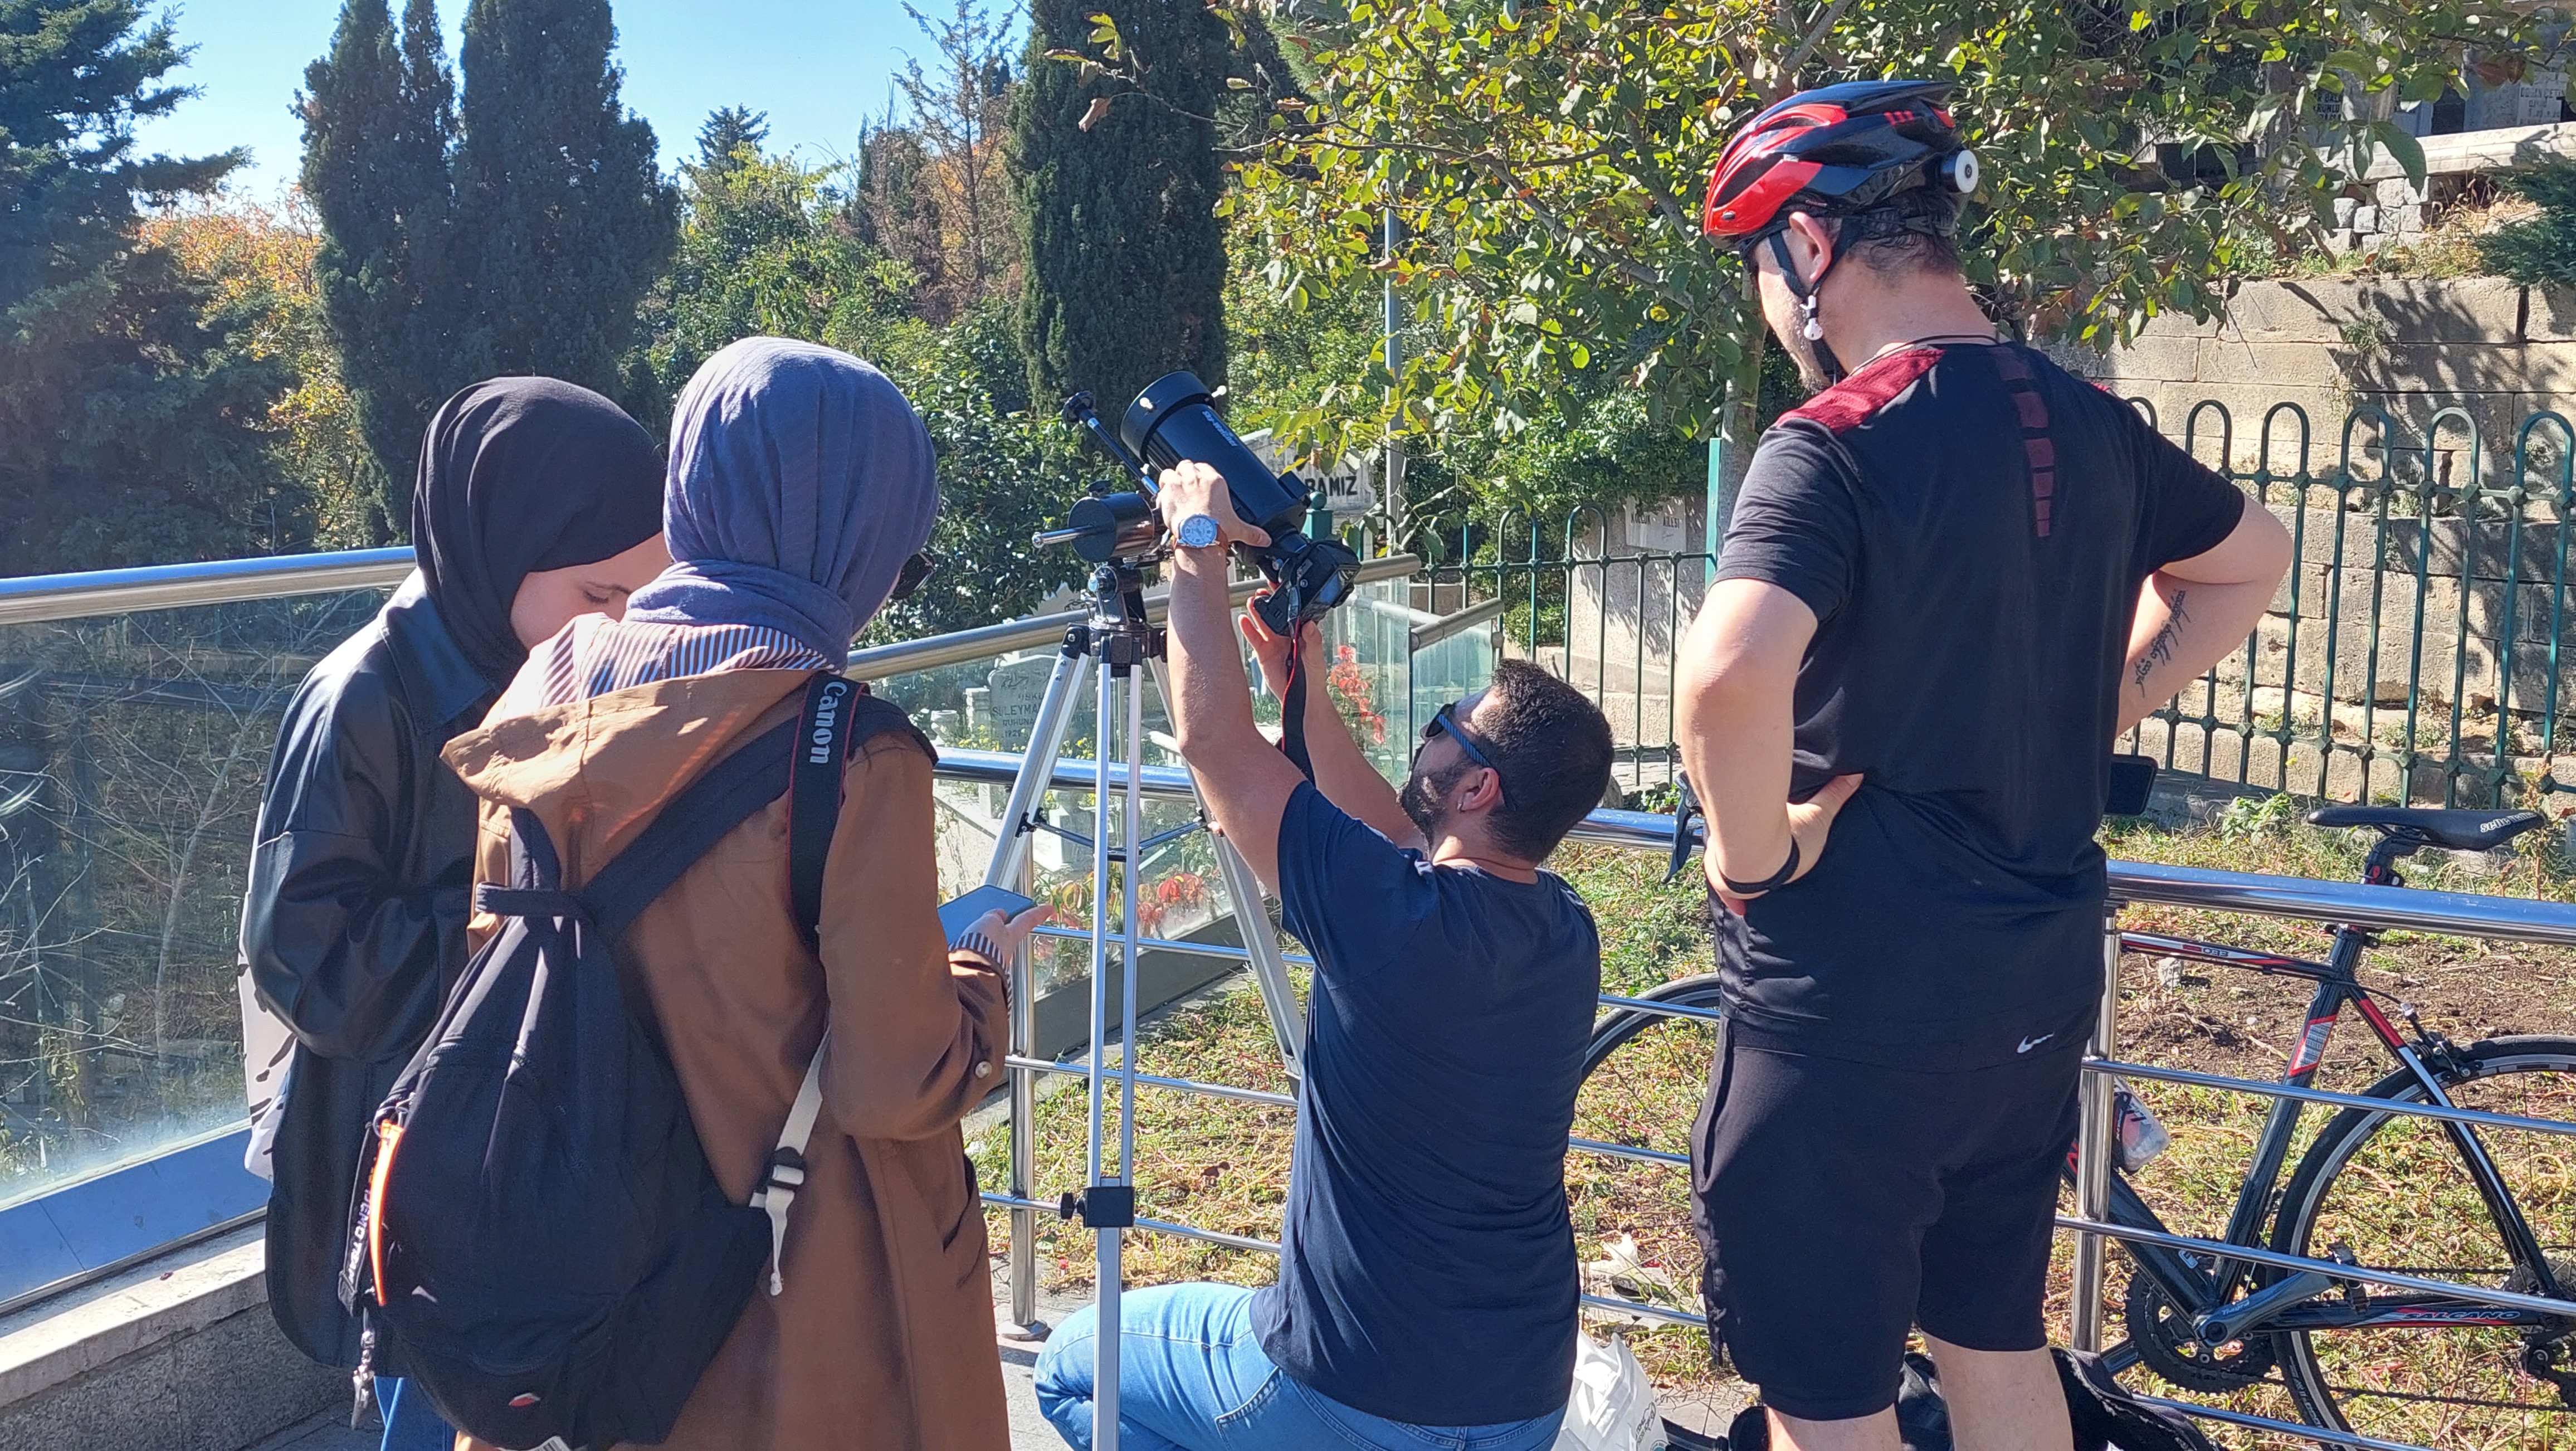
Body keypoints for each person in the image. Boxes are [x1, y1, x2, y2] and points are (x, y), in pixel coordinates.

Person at [1675, 81, 2294, 1451]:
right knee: (1996, 1348)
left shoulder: (1831, 440)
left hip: (1853, 999)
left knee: (1826, 1402)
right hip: (2030, 981)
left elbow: (1725, 673)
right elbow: (2252, 561)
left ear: (1811, 250)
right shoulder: (2084, 417)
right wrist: (2106, 703)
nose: (1770, 308)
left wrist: (1747, 855)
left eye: (1759, 269)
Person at [437, 336, 1043, 1451]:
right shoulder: (845, 743)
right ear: (849, 537)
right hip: (794, 1303)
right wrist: (981, 976)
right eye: (894, 555)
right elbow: (890, 1081)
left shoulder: (539, 698)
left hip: (581, 1280)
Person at [1032, 460, 1618, 1451]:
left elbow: (1214, 747)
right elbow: (1389, 830)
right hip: (1521, 1394)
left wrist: (1198, 544)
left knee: (1068, 1370)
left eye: (1445, 731)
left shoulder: (1393, 915)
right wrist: (1292, 676)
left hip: (1348, 1389)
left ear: (1477, 789)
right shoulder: (1561, 929)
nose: (1428, 741)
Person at [240, 378, 670, 1451]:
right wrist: (519, 939)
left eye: (645, 597)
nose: (623, 625)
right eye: (600, 592)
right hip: (418, 1175)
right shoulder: (367, 698)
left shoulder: (541, 661)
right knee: (434, 1403)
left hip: (527, 1144)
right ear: (496, 545)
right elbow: (304, 955)